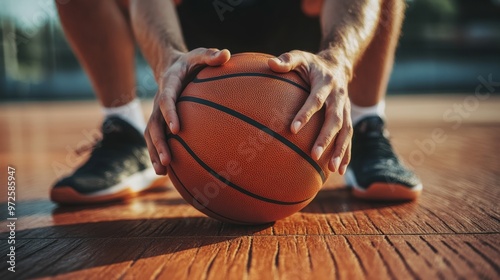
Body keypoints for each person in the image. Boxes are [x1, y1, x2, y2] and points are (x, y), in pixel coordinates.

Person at [51, 0, 422, 204]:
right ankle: (125, 131)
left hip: (304, 38)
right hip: (197, 39)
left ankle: (364, 124)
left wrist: (336, 60)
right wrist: (168, 60)